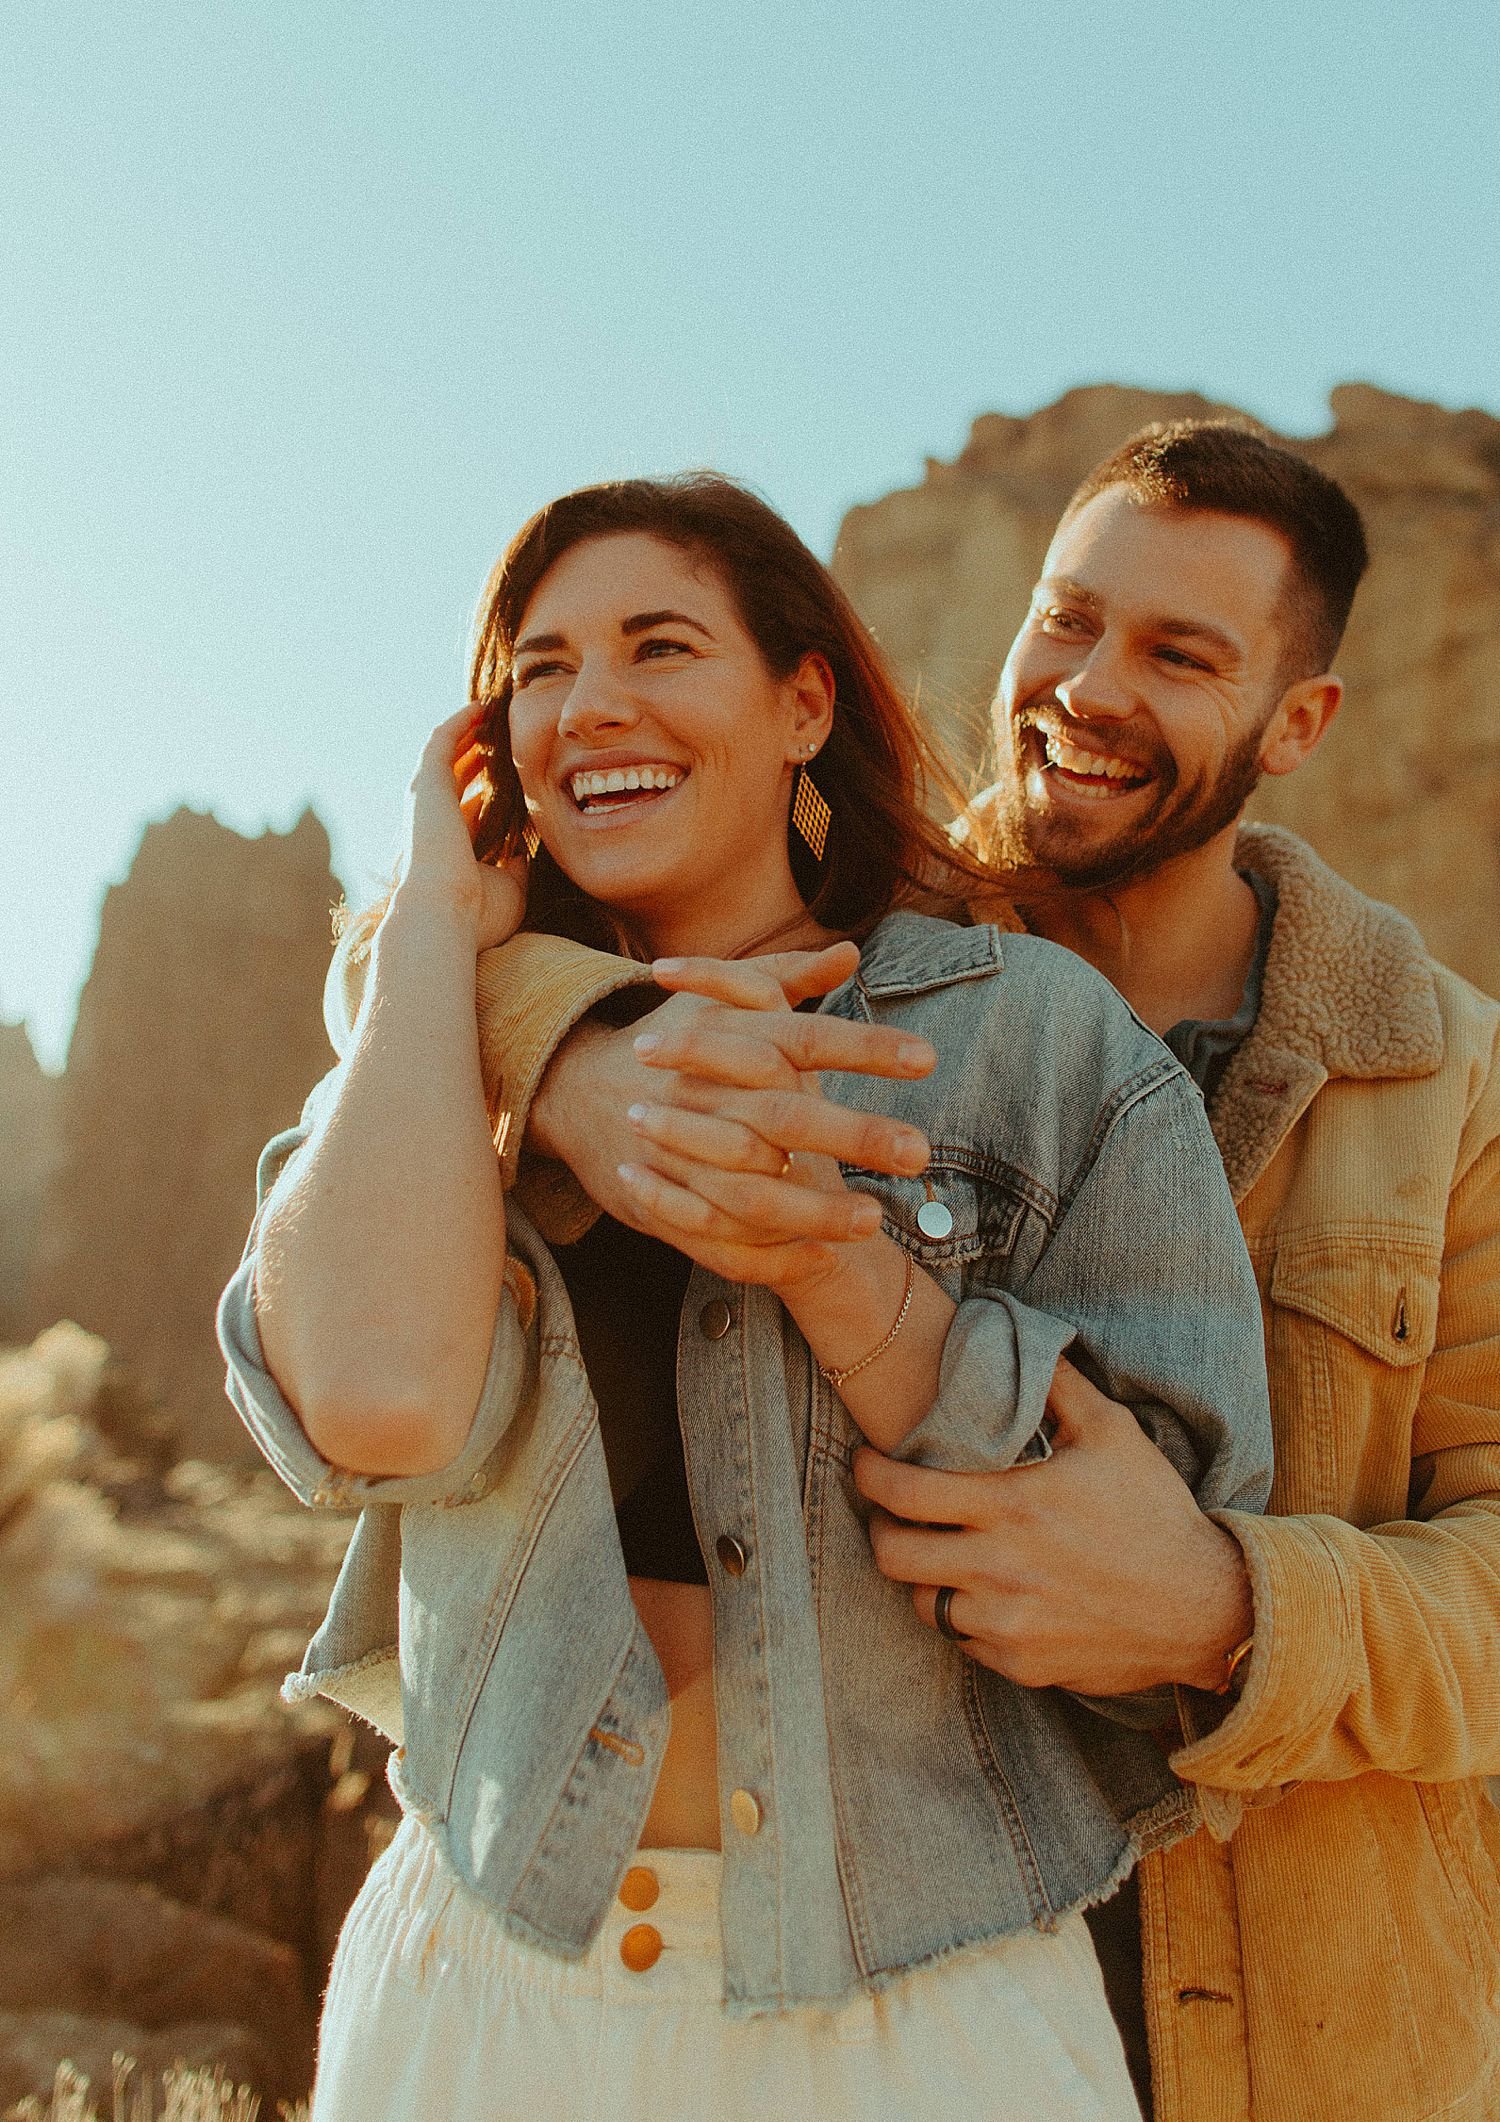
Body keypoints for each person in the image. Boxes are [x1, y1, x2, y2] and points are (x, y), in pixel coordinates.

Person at [218, 473, 1274, 2122]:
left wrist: (841, 1271)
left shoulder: (1038, 1041)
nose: (594, 703)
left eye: (659, 644)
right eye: (544, 665)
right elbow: (371, 1399)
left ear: (801, 704)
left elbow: (1176, 1612)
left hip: (926, 2011)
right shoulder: (435, 1044)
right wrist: (440, 924)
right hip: (490, 1991)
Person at [499, 427, 1500, 2122]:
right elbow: (415, 939)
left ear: (1299, 720)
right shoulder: (824, 922)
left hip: (1314, 2048)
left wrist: (1229, 1606)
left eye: (1181, 656)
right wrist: (574, 1061)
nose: (1087, 686)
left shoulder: (1452, 1087)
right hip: (882, 2014)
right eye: (1068, 619)